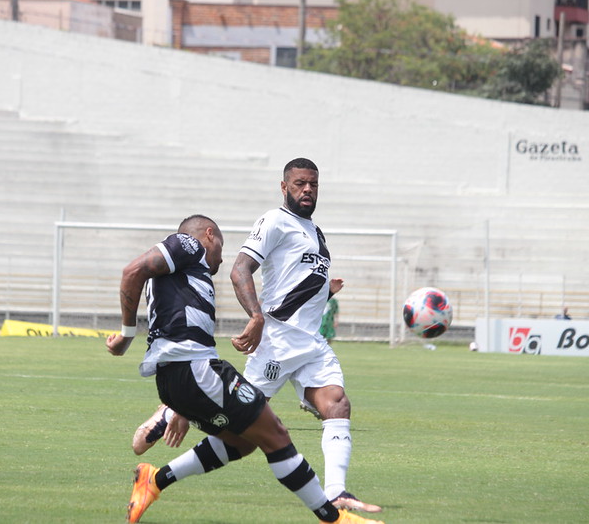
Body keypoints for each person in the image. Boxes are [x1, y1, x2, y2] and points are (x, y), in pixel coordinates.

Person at [105, 214, 383, 524]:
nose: (222, 258)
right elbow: (132, 270)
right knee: (275, 433)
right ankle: (333, 518)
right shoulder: (189, 244)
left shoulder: (183, 276)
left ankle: (154, 480)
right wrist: (127, 335)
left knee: (243, 440)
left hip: (184, 376)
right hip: (195, 370)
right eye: (221, 246)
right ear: (209, 235)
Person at [229, 157, 382, 513]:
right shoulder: (275, 221)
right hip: (277, 342)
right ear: (284, 187)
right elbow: (240, 270)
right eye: (299, 183)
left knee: (338, 404)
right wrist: (255, 316)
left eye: (313, 183)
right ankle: (170, 432)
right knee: (237, 427)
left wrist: (324, 292)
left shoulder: (316, 232)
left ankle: (337, 492)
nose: (307, 189)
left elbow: (294, 287)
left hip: (310, 343)